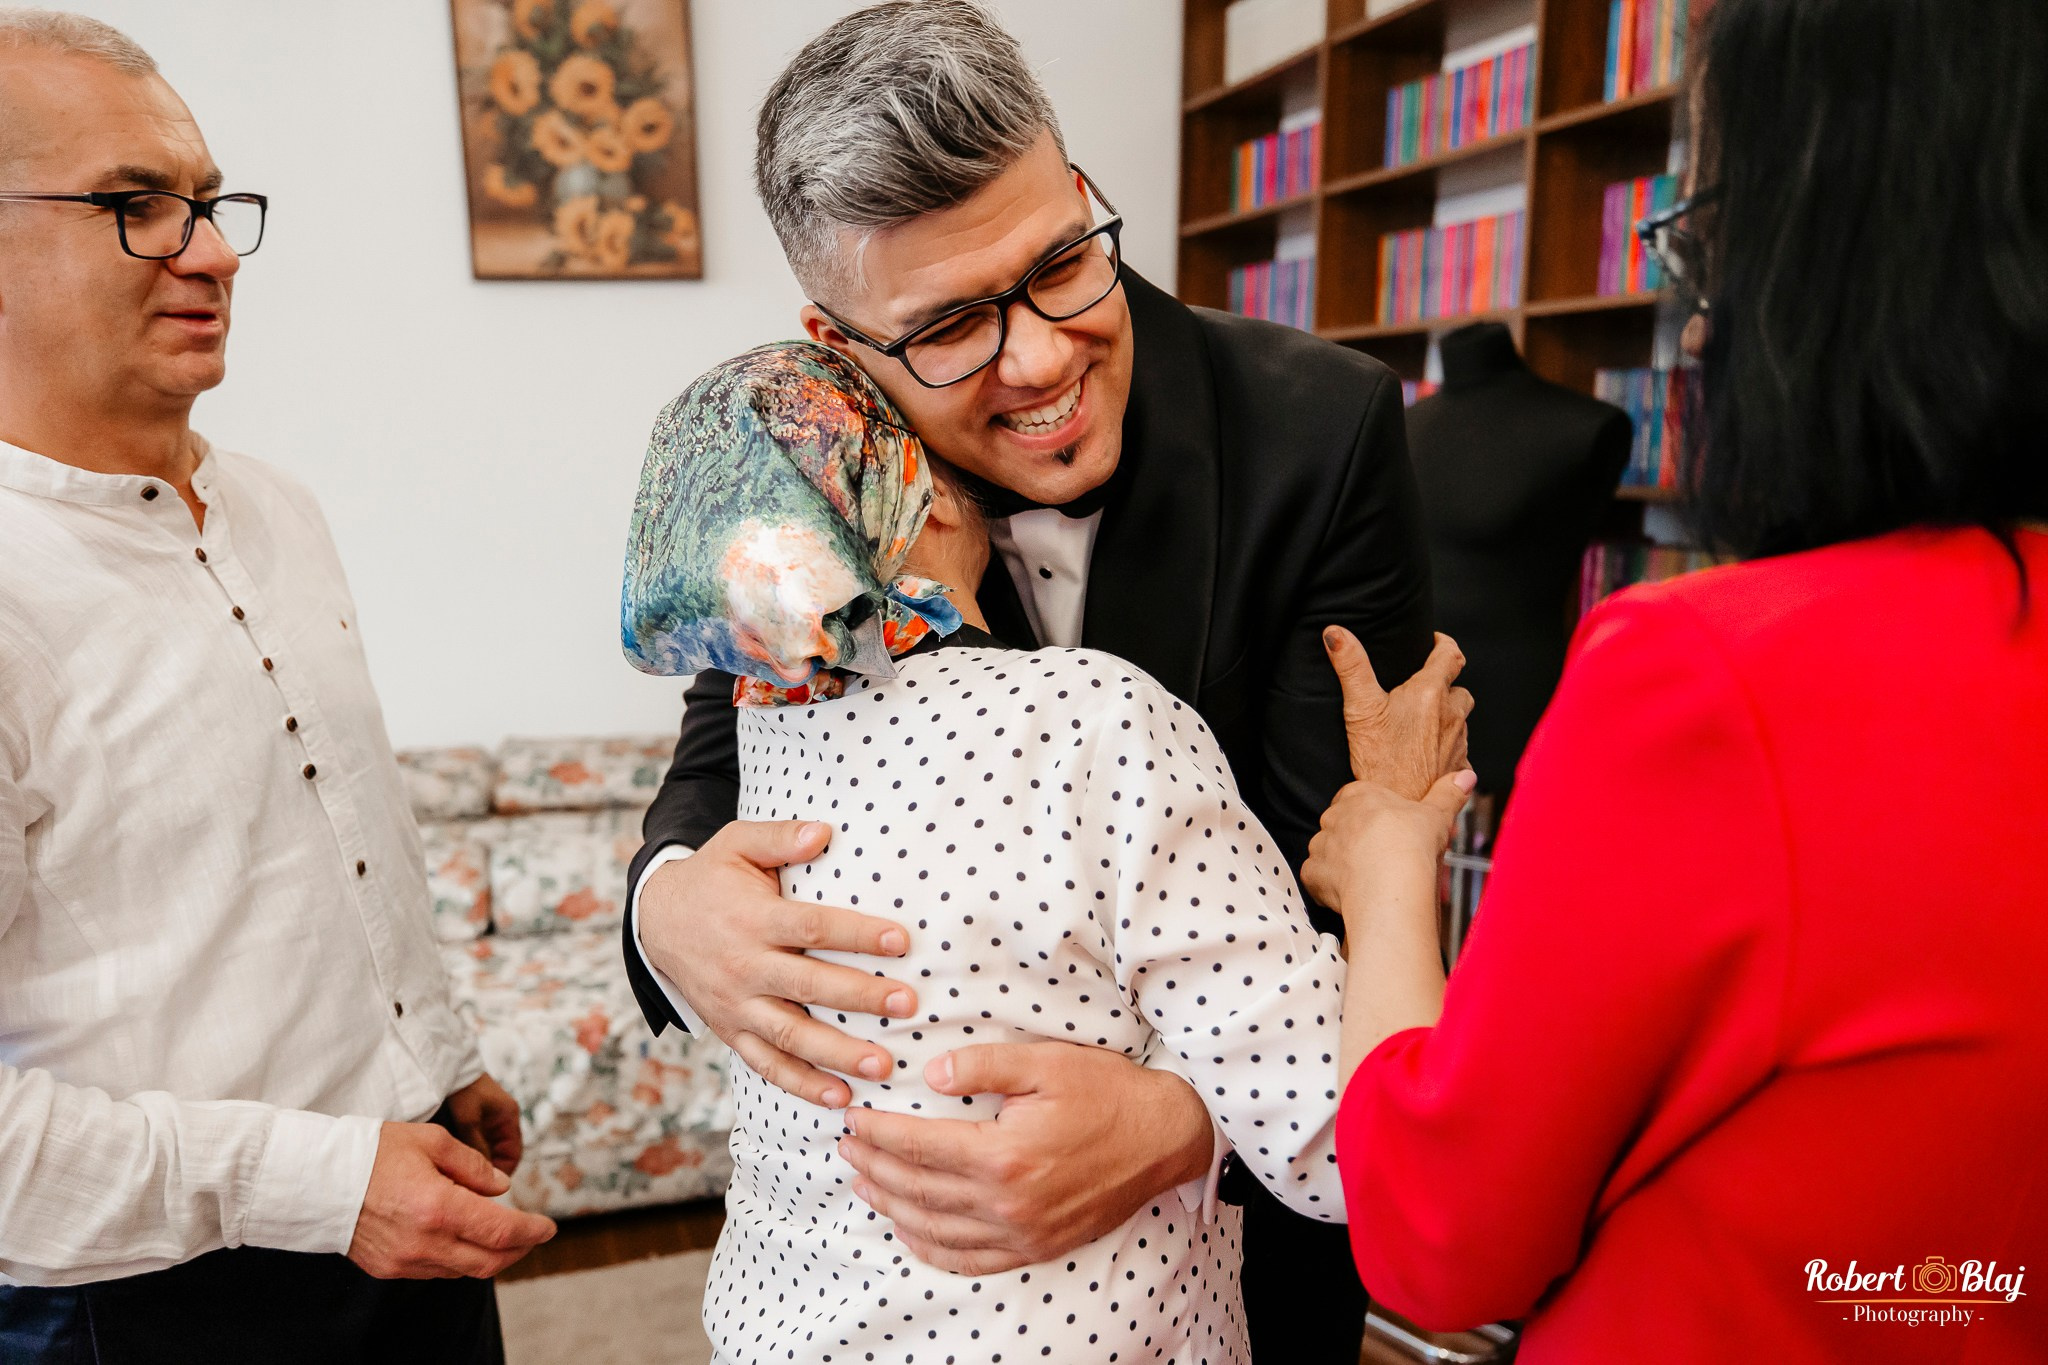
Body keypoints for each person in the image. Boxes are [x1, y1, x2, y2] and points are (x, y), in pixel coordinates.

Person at [620, 6, 1443, 1355]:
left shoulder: (1326, 432)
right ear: (836, 345)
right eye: (949, 325)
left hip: (1239, 1270)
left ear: (1077, 191)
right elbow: (721, 765)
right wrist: (668, 910)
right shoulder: (801, 475)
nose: (1046, 356)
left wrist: (1176, 1123)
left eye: (1064, 261)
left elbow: (1347, 862)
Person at [1304, 0, 2048, 1358]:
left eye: (1708, 240)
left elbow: (1439, 1235)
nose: (1696, 335)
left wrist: (1391, 856)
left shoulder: (1713, 678)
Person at [0, 13, 554, 1362]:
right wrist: (315, 1182)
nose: (211, 250)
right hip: (142, 1301)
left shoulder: (279, 510)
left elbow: (331, 837)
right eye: (136, 205)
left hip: (403, 1213)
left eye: (205, 200)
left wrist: (433, 1058)